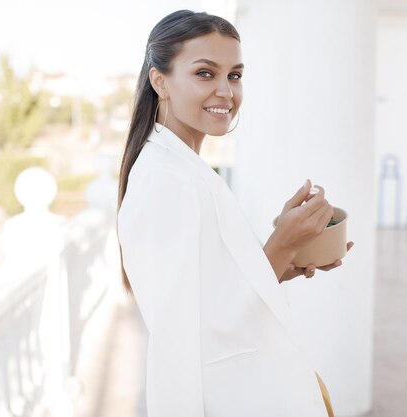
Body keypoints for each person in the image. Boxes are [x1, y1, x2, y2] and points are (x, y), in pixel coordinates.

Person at [117, 10, 353, 417]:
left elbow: (210, 296)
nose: (226, 91)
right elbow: (186, 337)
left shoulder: (185, 168)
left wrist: (284, 261)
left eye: (235, 75)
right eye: (205, 73)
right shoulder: (166, 180)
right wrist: (282, 243)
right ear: (161, 82)